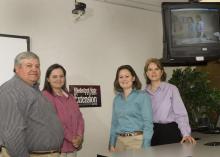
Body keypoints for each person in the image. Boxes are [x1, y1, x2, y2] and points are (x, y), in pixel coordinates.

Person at [0, 52, 64, 157]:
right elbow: (12, 134)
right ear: (17, 68)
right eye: (29, 66)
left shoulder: (33, 89)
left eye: (37, 66)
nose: (34, 69)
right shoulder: (11, 91)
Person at [144, 58, 196, 146]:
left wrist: (186, 134)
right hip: (151, 133)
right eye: (150, 69)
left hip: (169, 132)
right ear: (146, 73)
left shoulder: (172, 89)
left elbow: (180, 114)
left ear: (161, 72)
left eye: (156, 69)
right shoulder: (143, 94)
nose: (153, 72)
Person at [42, 64, 84, 157]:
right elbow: (55, 123)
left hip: (73, 147)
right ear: (48, 79)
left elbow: (79, 117)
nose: (59, 79)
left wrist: (80, 136)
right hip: (57, 149)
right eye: (54, 76)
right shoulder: (45, 96)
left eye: (61, 76)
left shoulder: (70, 96)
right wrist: (73, 139)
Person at [109, 65, 153, 152]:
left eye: (127, 76)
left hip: (137, 142)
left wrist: (145, 147)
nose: (124, 79)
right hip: (119, 142)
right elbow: (114, 124)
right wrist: (112, 144)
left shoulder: (142, 96)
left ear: (133, 78)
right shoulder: (116, 99)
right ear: (118, 80)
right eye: (121, 77)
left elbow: (148, 124)